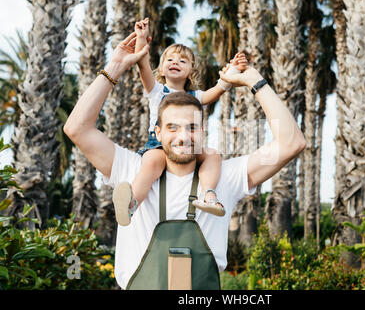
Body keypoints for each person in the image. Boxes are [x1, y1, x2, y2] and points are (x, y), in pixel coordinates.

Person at [63, 31, 306, 289]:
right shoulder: (132, 168)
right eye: (173, 127)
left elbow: (292, 143)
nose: (183, 136)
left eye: (192, 127)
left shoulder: (226, 175)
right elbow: (77, 128)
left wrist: (254, 80)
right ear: (158, 132)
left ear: (203, 131)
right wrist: (117, 65)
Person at [112, 18, 248, 226]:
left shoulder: (196, 96)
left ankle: (209, 196)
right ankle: (132, 204)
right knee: (151, 165)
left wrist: (231, 74)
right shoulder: (157, 91)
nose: (175, 63)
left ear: (191, 70)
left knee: (213, 155)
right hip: (159, 145)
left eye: (183, 61)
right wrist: (141, 37)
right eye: (170, 60)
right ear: (162, 68)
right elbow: (142, 64)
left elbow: (218, 90)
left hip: (189, 145)